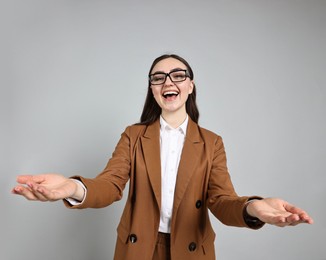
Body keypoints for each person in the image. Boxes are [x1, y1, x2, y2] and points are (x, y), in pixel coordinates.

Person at [12, 54, 313, 260]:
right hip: (139, 248)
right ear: (153, 89)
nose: (168, 82)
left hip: (193, 250)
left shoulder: (212, 143)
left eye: (177, 75)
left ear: (190, 86)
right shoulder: (133, 135)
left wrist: (254, 207)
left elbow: (221, 202)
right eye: (158, 77)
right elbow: (110, 185)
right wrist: (72, 188)